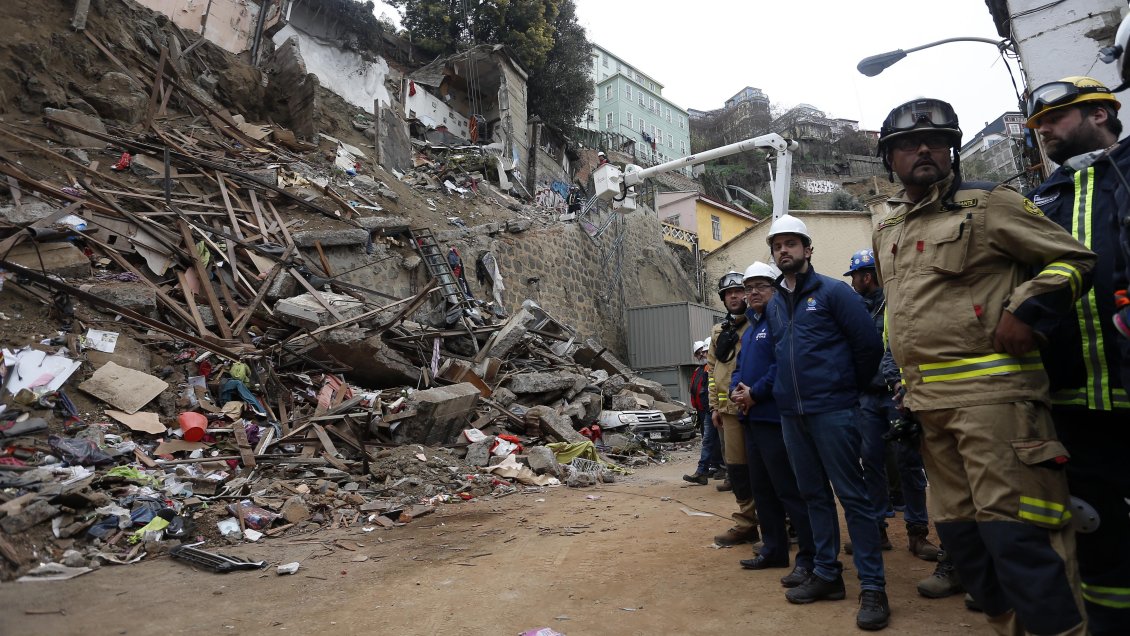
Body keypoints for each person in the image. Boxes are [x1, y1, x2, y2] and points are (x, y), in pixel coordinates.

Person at [872, 97, 1096, 635]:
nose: (923, 149)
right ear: (890, 159)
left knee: (1021, 544)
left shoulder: (990, 204)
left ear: (953, 151)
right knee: (969, 551)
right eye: (907, 144)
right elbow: (902, 316)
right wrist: (901, 384)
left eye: (937, 141)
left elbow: (1074, 259)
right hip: (930, 410)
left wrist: (1028, 309)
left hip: (998, 403)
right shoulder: (888, 229)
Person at [1023, 76, 1130, 636]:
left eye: (1054, 119)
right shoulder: (1041, 199)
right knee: (1095, 528)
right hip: (1072, 398)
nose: (1043, 131)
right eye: (1038, 124)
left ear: (1099, 113)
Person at [763, 214, 889, 631]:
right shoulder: (776, 304)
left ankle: (873, 587)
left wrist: (844, 388)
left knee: (853, 498)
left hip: (834, 411)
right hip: (791, 415)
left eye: (791, 244)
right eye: (777, 245)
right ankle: (827, 575)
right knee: (813, 496)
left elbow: (868, 346)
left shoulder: (835, 293)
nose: (784, 250)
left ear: (808, 250)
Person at [842, 249, 939, 562]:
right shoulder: (853, 308)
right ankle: (876, 530)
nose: (853, 281)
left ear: (867, 276)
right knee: (870, 460)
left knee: (909, 461)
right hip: (867, 396)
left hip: (897, 393)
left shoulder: (896, 305)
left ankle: (917, 533)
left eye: (855, 276)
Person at [729, 261, 816, 588]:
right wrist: (737, 389)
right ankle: (774, 548)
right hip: (751, 418)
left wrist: (756, 392)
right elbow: (739, 367)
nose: (752, 293)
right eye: (748, 288)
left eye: (759, 287)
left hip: (775, 418)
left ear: (775, 288)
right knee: (762, 489)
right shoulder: (751, 329)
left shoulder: (780, 321)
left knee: (788, 490)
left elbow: (782, 364)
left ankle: (810, 556)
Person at [708, 271, 759, 547]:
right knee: (737, 470)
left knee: (767, 468)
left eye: (739, 291)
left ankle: (786, 523)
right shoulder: (718, 332)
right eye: (729, 293)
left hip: (758, 407)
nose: (735, 296)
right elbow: (712, 371)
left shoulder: (758, 325)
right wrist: (714, 406)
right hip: (728, 411)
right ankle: (746, 522)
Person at [684, 338, 723, 485]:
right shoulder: (702, 370)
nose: (703, 355)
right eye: (701, 353)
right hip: (708, 410)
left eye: (705, 352)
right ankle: (702, 472)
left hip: (721, 409)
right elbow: (703, 391)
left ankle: (727, 471)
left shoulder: (717, 366)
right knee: (708, 441)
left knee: (722, 442)